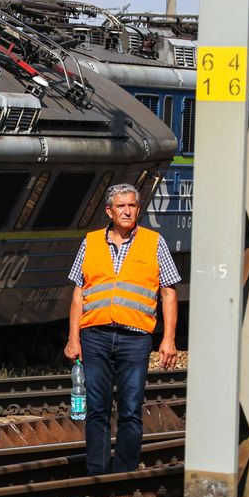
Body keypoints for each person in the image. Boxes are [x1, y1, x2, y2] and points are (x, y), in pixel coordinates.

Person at [64, 183, 180, 475]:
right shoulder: (90, 242)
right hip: (95, 336)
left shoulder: (154, 242)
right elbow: (79, 293)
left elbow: (168, 292)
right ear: (109, 211)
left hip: (136, 338)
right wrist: (73, 338)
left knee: (130, 410)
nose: (127, 211)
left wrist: (168, 339)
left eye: (132, 206)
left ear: (138, 209)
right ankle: (97, 473)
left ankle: (125, 473)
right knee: (97, 409)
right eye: (121, 206)